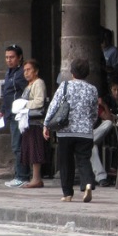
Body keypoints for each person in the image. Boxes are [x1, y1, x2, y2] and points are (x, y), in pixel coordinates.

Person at [42, 58, 98, 203]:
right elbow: (94, 112)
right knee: (84, 159)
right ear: (87, 73)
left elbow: (54, 106)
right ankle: (87, 183)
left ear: (72, 72)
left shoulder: (65, 86)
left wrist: (46, 124)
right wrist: (89, 124)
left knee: (65, 161)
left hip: (66, 131)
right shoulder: (92, 89)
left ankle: (67, 193)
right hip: (85, 132)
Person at [0, 45, 29, 187]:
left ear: (19, 58)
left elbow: (26, 92)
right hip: (10, 113)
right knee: (15, 145)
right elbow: (7, 93)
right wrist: (2, 109)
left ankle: (22, 176)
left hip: (19, 114)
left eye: (12, 57)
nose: (9, 60)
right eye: (7, 57)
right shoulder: (9, 72)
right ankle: (19, 174)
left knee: (18, 146)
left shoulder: (22, 72)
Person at [18, 59, 47, 189]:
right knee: (29, 149)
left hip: (36, 122)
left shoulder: (38, 83)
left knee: (35, 149)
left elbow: (39, 102)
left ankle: (36, 178)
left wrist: (23, 105)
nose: (26, 72)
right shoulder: (28, 85)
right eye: (24, 70)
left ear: (36, 71)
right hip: (27, 122)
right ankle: (33, 177)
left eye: (29, 70)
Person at [90, 93, 117, 187]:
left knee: (108, 123)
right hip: (80, 134)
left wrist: (104, 105)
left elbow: (109, 119)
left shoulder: (95, 106)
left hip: (92, 134)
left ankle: (89, 141)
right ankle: (101, 178)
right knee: (92, 147)